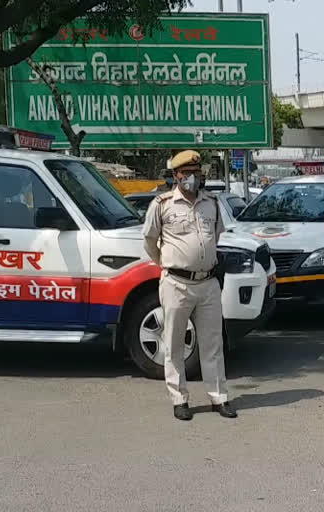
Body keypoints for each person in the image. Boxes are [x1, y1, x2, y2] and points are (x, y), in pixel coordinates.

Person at [142, 150, 236, 422]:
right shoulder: (162, 204)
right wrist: (167, 263)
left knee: (212, 343)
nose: (192, 178)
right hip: (176, 283)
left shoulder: (212, 203)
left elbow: (215, 237)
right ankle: (179, 399)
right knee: (173, 343)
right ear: (176, 176)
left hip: (207, 283)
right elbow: (149, 240)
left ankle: (219, 397)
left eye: (196, 172)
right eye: (187, 173)